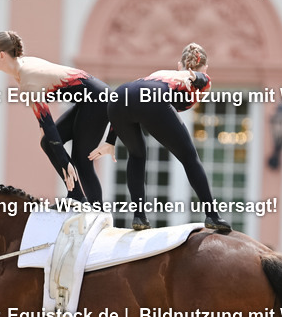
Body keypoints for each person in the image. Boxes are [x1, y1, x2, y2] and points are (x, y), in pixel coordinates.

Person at [90, 43, 231, 232]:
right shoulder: (202, 79)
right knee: (190, 158)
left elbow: (134, 95)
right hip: (151, 99)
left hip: (119, 97)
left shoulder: (162, 73)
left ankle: (139, 217)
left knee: (137, 154)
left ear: (179, 65)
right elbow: (202, 79)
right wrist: (195, 76)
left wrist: (110, 140)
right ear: (205, 67)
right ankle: (212, 215)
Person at [0, 31, 110, 203]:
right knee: (49, 143)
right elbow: (46, 125)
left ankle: (95, 209)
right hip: (90, 99)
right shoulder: (23, 67)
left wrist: (64, 162)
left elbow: (49, 125)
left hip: (98, 100)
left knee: (81, 159)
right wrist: (62, 159)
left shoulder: (27, 79)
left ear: (1, 55)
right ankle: (76, 196)